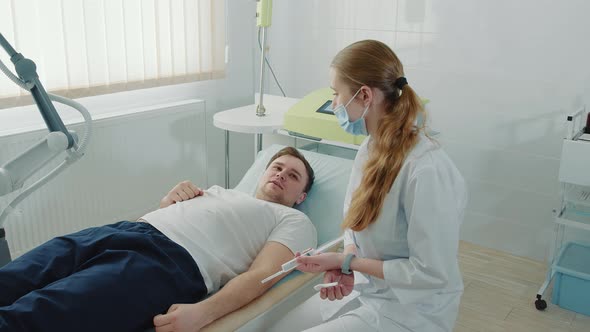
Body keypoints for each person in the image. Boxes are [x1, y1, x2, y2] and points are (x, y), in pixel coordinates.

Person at [0, 147, 317, 332]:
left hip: (167, 266)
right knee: (15, 277)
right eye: (277, 167)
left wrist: (202, 315)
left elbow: (261, 276)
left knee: (38, 314)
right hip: (125, 230)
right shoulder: (224, 192)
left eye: (292, 175)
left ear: (301, 195)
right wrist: (168, 201)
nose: (280, 174)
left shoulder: (294, 220)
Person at [273, 40, 468, 332]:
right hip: (368, 289)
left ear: (364, 95)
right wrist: (346, 264)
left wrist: (347, 260)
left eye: (337, 94)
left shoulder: (425, 170)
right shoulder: (369, 149)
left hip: (412, 311)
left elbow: (430, 273)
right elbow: (355, 221)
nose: (335, 104)